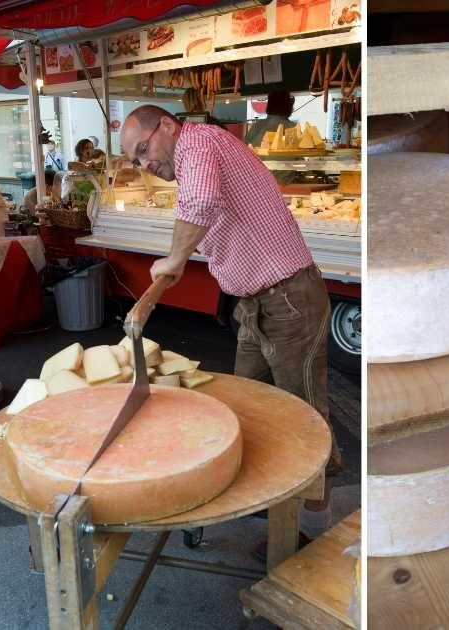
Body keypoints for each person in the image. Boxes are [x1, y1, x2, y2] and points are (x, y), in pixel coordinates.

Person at [119, 105, 340, 545]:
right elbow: (204, 208)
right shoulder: (192, 159)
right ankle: (265, 497)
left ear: (167, 125)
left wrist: (176, 258)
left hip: (289, 300)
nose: (145, 164)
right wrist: (178, 261)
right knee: (246, 403)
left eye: (144, 149)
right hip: (256, 305)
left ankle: (319, 530)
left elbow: (201, 202)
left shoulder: (198, 142)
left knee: (305, 413)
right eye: (135, 160)